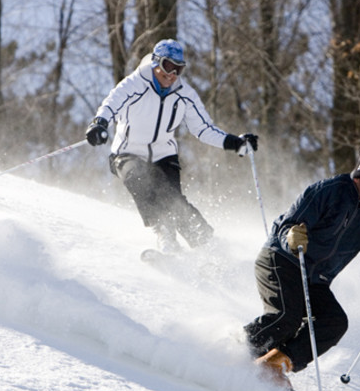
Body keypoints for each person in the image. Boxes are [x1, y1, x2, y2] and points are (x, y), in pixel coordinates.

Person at [244, 147, 360, 389]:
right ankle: (231, 353)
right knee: (286, 318)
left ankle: (273, 366)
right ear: (359, 175)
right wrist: (291, 236)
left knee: (334, 322)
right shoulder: (330, 191)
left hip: (315, 279)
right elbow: (290, 222)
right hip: (283, 260)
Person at [85, 38, 258, 253]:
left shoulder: (184, 94)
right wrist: (99, 124)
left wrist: (235, 142)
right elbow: (111, 104)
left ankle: (207, 245)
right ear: (156, 62)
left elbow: (203, 129)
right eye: (168, 66)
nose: (172, 74)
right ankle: (165, 236)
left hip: (164, 155)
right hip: (128, 153)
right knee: (139, 179)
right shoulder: (134, 84)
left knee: (173, 200)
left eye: (179, 69)